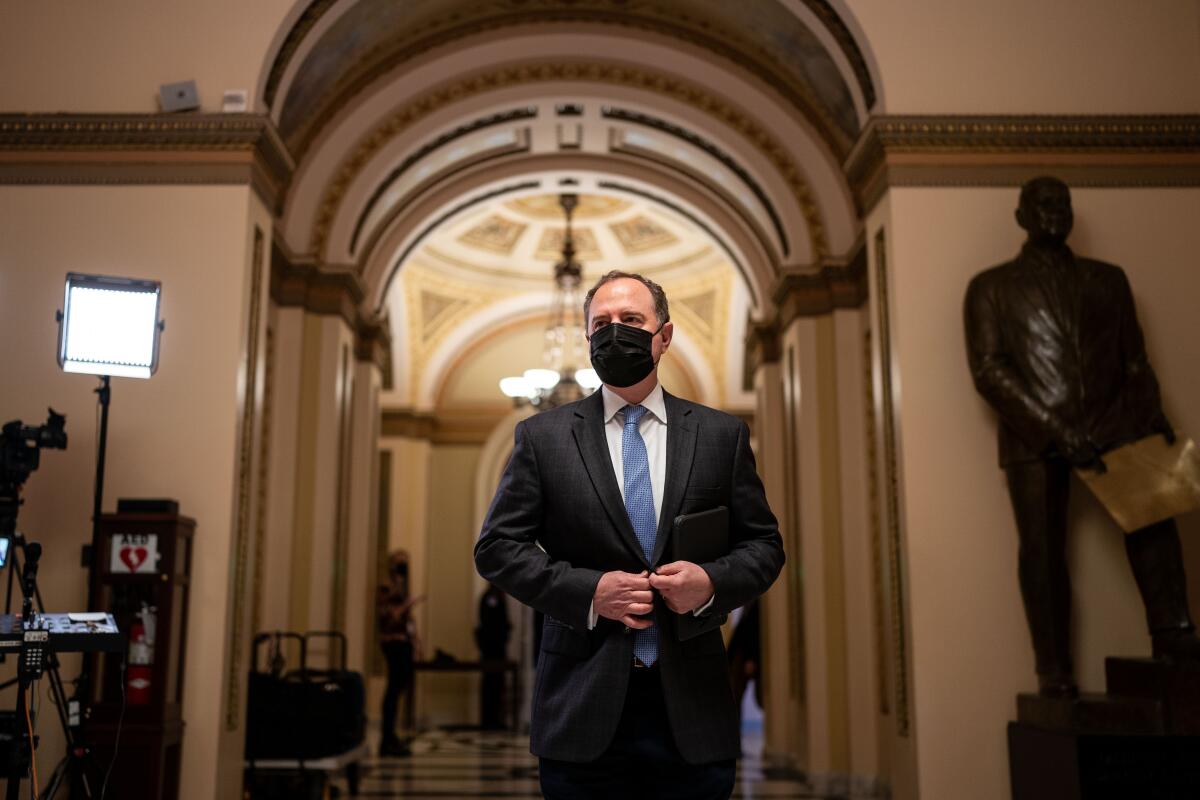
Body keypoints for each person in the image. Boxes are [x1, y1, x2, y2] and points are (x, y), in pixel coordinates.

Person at [475, 271, 784, 799]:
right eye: (602, 324)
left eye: (632, 321)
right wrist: (590, 592)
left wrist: (710, 582)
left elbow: (764, 547)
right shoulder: (542, 438)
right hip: (581, 706)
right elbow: (498, 549)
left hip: (692, 710)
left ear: (663, 336)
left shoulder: (720, 436)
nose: (615, 333)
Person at [963, 176, 1200, 697]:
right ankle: (1054, 667)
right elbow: (989, 370)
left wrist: (1150, 413)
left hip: (1116, 422)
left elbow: (1134, 360)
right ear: (1022, 215)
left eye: (1064, 203)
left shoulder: (1108, 280)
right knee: (1042, 552)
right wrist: (1054, 428)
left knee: (1155, 525)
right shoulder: (992, 287)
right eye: (1044, 204)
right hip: (1035, 438)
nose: (1057, 211)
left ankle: (1174, 634)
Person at [376, 549, 425, 756]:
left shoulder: (403, 590)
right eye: (398, 565)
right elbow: (389, 616)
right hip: (391, 644)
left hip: (403, 643)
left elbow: (408, 622)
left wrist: (416, 643)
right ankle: (386, 737)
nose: (402, 569)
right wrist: (407, 604)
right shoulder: (385, 589)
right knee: (393, 690)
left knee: (400, 687)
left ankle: (392, 736)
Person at [475, 583, 512, 730]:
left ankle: (495, 719)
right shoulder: (490, 597)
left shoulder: (497, 596)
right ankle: (489, 720)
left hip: (497, 648)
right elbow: (490, 623)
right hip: (491, 649)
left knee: (497, 684)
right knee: (490, 683)